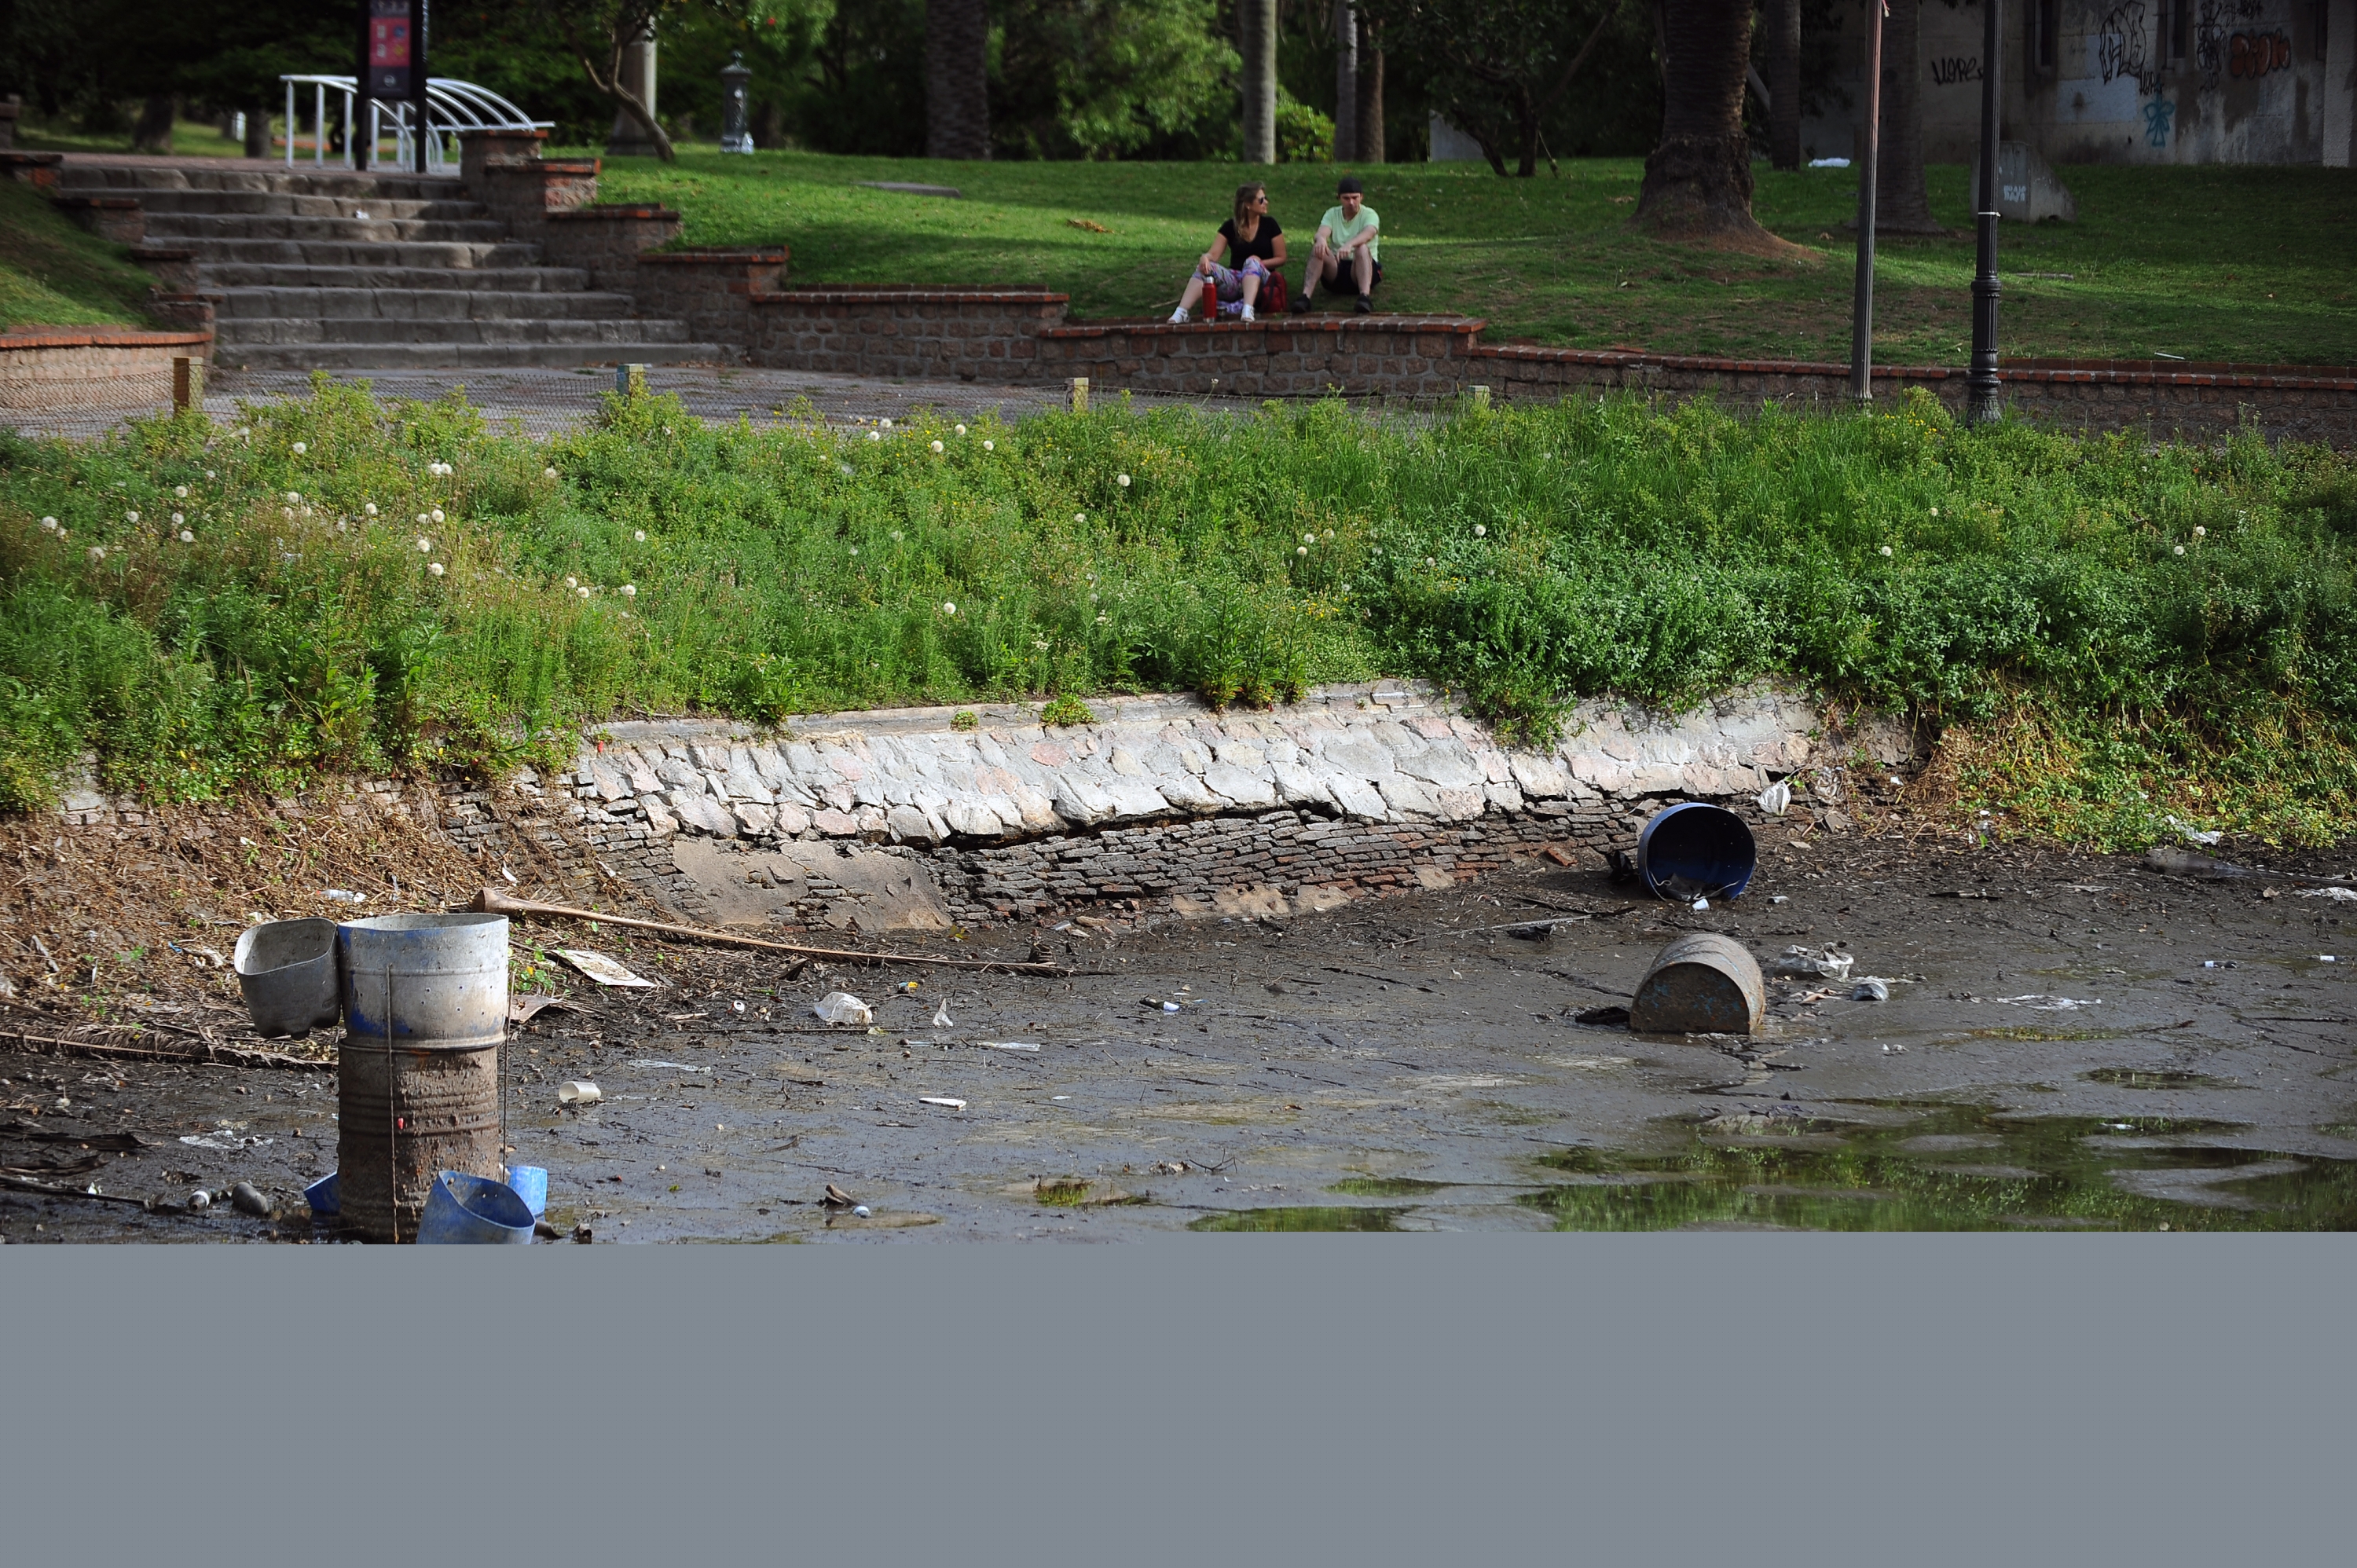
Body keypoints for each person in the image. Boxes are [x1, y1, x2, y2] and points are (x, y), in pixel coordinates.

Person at [1169, 183, 1288, 324]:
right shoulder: (1230, 227)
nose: (1266, 202)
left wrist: (1257, 263)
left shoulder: (1270, 225)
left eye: (1265, 198)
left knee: (1252, 262)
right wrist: (1205, 258)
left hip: (1260, 280)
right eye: (1261, 200)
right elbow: (1213, 254)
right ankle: (1181, 312)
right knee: (1205, 269)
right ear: (1248, 205)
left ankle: (1248, 309)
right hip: (1236, 280)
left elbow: (1281, 258)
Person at [1292, 174, 1380, 314]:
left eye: (1355, 198)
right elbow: (1322, 232)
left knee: (1361, 248)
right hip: (1337, 269)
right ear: (1339, 198)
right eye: (1346, 198)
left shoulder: (1370, 214)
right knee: (1318, 248)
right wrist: (1321, 239)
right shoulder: (1332, 214)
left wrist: (1349, 244)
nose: (1351, 202)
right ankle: (1305, 297)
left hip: (1362, 267)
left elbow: (1369, 233)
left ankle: (1364, 297)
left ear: (1361, 197)